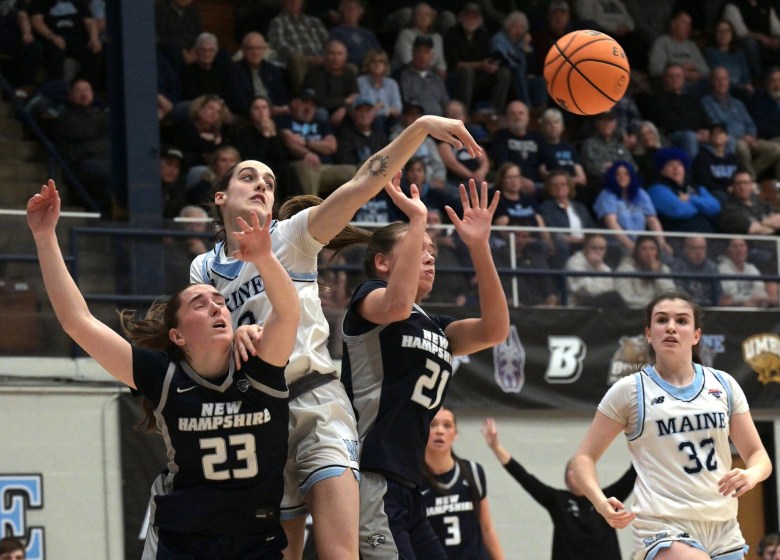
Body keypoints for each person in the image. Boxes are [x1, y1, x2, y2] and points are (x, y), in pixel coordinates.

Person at [191, 115, 482, 560]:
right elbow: (200, 348)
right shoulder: (202, 269)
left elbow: (365, 181)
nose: (261, 185)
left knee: (339, 553)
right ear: (220, 197)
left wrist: (420, 128)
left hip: (316, 400)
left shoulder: (291, 235)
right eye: (248, 177)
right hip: (258, 414)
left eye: (269, 182)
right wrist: (234, 337)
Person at [27, 179, 300, 559]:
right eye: (199, 303)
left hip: (256, 539)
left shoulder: (259, 366)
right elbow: (78, 322)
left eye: (220, 301)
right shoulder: (163, 374)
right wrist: (44, 236)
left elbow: (288, 313)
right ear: (177, 335)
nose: (217, 307)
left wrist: (265, 258)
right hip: (184, 539)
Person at [341, 179, 509, 560]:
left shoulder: (435, 326)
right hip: (371, 473)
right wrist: (418, 217)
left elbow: (495, 330)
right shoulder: (369, 299)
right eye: (419, 248)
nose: (430, 256)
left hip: (409, 480)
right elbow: (396, 306)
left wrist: (479, 247)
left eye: (432, 250)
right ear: (383, 262)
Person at [570, 290, 772, 560]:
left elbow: (759, 456)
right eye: (662, 320)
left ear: (696, 335)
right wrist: (600, 502)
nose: (671, 327)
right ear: (649, 334)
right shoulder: (631, 391)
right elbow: (583, 458)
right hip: (663, 524)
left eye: (682, 321)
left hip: (723, 526)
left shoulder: (723, 385)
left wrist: (751, 474)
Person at [482, 418, 635, 560]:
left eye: (579, 469)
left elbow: (634, 473)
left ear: (590, 475)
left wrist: (644, 439)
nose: (574, 472)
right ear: (565, 478)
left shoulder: (608, 497)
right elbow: (524, 478)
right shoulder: (557, 500)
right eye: (570, 469)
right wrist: (496, 447)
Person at [421, 407, 505, 560]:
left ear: (455, 435)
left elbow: (486, 528)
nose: (440, 431)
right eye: (433, 425)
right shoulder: (413, 481)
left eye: (447, 425)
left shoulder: (473, 471)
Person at [593, 160, 671, 257]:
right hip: (616, 245)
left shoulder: (640, 193)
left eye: (626, 174)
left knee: (665, 255)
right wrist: (630, 246)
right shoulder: (607, 194)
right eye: (618, 174)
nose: (622, 177)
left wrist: (661, 243)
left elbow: (652, 220)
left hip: (640, 244)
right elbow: (612, 224)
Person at [443, 3, 511, 114]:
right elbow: (454, 64)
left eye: (475, 17)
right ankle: (464, 113)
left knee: (504, 73)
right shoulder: (452, 34)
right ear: (461, 17)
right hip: (457, 76)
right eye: (468, 16)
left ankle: (495, 113)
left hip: (479, 75)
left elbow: (487, 58)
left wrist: (491, 65)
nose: (471, 20)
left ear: (480, 20)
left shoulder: (482, 35)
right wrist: (480, 64)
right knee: (467, 72)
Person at [646, 147, 721, 234]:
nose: (676, 168)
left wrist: (690, 199)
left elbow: (715, 207)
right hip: (679, 239)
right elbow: (678, 210)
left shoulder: (696, 187)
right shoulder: (656, 189)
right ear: (661, 170)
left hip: (707, 235)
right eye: (670, 165)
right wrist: (703, 207)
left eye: (679, 164)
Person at [226, 32, 289, 118]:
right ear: (243, 50)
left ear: (264, 50)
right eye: (250, 48)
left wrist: (282, 107)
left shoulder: (273, 70)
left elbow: (281, 95)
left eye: (258, 48)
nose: (255, 52)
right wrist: (266, 111)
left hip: (277, 114)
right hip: (250, 116)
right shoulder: (234, 71)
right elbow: (238, 103)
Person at [301, 39, 359, 129]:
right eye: (332, 53)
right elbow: (319, 100)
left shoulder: (349, 73)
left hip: (341, 109)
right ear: (325, 55)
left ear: (345, 56)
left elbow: (354, 95)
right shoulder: (314, 72)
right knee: (321, 113)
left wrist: (343, 108)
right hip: (320, 109)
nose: (335, 58)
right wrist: (344, 102)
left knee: (358, 115)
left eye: (339, 54)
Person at [564, 233, 625, 308]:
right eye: (593, 248)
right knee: (613, 297)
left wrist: (598, 268)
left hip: (600, 306)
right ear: (585, 247)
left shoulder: (605, 267)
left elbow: (610, 288)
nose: (598, 252)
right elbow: (586, 290)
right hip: (577, 306)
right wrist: (595, 267)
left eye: (602, 248)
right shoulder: (574, 263)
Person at [615, 235, 676, 309]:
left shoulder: (663, 269)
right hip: (634, 312)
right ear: (637, 252)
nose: (648, 253)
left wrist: (657, 275)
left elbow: (671, 295)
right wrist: (653, 304)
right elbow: (626, 298)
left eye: (652, 249)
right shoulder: (625, 269)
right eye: (643, 249)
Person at [671, 236, 731, 307]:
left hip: (711, 311)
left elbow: (719, 294)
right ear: (685, 249)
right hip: (686, 309)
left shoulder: (712, 267)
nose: (699, 252)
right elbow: (679, 296)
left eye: (702, 248)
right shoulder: (677, 266)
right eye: (694, 248)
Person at [399, 34, 450, 117]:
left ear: (431, 55)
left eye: (426, 51)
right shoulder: (404, 76)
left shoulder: (437, 78)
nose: (422, 56)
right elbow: (406, 102)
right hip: (417, 121)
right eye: (419, 51)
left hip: (439, 122)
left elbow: (445, 103)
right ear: (413, 53)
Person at [718, 237, 777, 308]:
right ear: (728, 251)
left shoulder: (751, 267)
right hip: (733, 309)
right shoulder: (723, 268)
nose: (739, 250)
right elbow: (730, 296)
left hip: (753, 307)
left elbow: (760, 291)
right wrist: (751, 300)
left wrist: (755, 300)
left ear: (746, 249)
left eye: (742, 246)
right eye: (735, 247)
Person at [718, 170, 780, 235]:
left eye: (746, 183)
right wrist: (772, 223)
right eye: (738, 183)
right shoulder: (729, 210)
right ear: (732, 186)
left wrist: (761, 222)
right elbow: (756, 231)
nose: (742, 187)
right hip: (755, 244)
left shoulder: (761, 204)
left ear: (751, 185)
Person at [392, 2, 447, 76]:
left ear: (432, 19)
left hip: (430, 74)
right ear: (414, 18)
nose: (423, 17)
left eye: (427, 15)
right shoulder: (405, 34)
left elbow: (440, 61)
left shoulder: (437, 37)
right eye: (419, 14)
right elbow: (407, 60)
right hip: (407, 74)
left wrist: (441, 70)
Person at [356, 49, 402, 132]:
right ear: (368, 64)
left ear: (385, 65)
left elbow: (398, 109)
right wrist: (381, 108)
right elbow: (362, 106)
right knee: (378, 120)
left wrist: (381, 108)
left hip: (389, 120)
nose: (377, 64)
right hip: (367, 120)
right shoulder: (360, 82)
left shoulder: (392, 84)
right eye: (373, 61)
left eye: (381, 61)